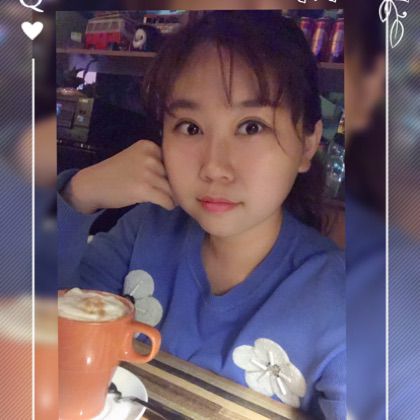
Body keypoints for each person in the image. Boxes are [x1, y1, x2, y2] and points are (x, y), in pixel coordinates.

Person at [58, 11, 345, 419]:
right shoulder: (145, 230)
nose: (214, 167)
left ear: (307, 144)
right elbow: (32, 322)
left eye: (251, 127)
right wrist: (78, 194)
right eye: (191, 127)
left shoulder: (346, 301)